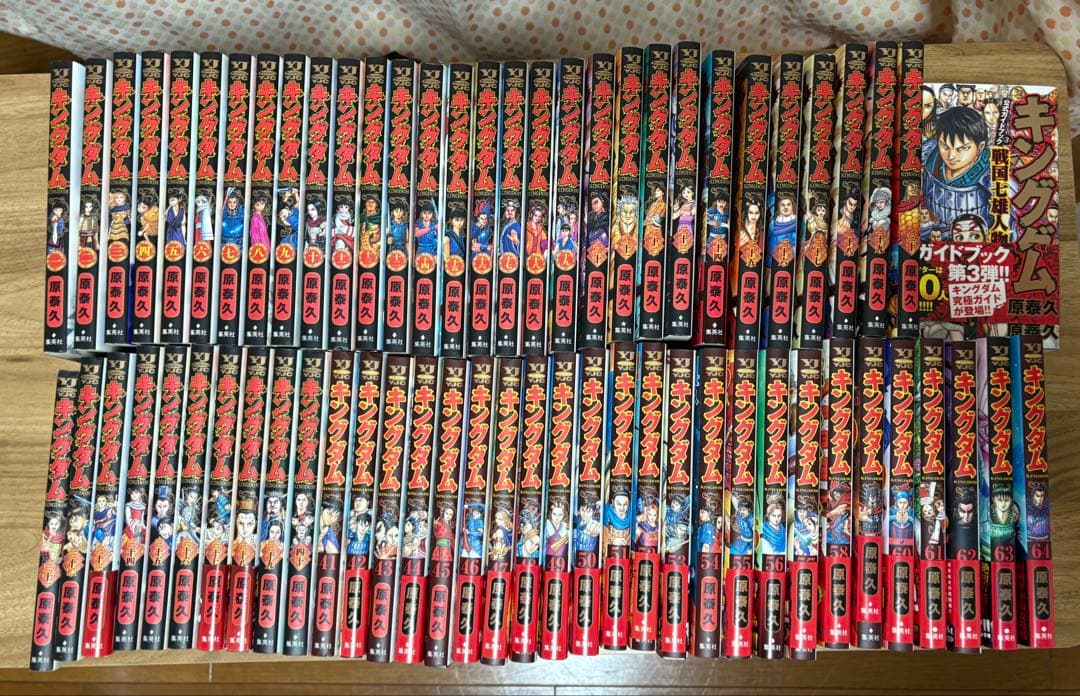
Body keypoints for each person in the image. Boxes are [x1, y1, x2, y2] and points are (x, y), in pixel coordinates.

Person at [922, 106, 990, 227]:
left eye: (962, 148)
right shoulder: (929, 152)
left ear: (980, 147)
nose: (951, 156)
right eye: (944, 146)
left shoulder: (991, 171)